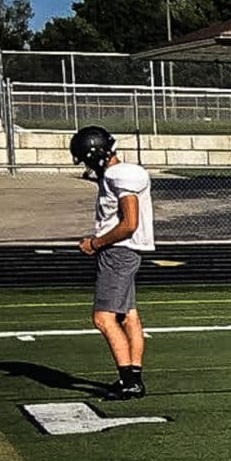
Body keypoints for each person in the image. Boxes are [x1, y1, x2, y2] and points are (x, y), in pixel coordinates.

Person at [70, 126, 153, 401]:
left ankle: (129, 382)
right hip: (125, 252)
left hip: (119, 252)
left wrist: (95, 243)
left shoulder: (120, 175)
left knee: (103, 317)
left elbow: (129, 224)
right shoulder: (120, 174)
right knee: (128, 315)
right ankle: (132, 377)